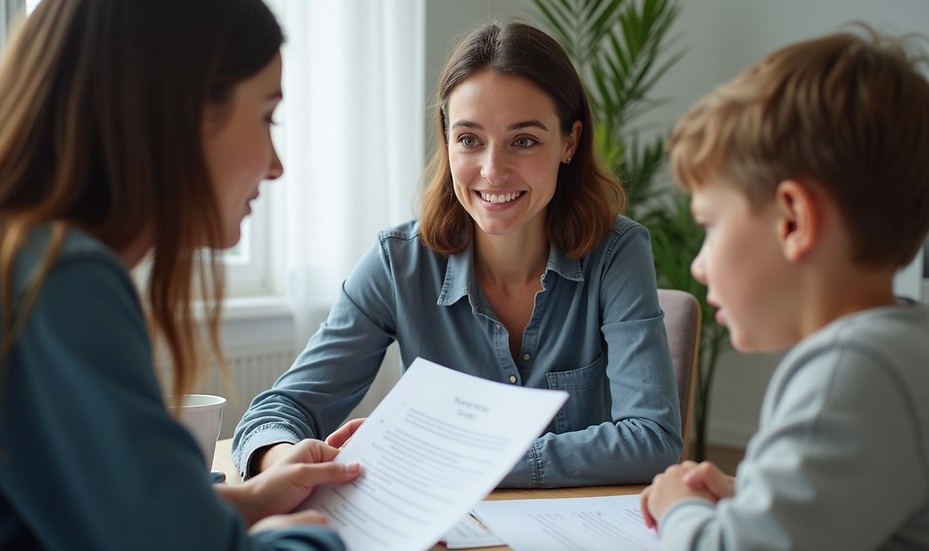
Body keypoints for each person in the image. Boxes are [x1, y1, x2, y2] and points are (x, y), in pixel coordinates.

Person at [0, 1, 361, 549]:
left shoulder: (9, 256)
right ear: (179, 110)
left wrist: (252, 502)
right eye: (267, 116)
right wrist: (329, 541)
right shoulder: (61, 284)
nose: (276, 164)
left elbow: (104, 514)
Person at [234, 20, 683, 489]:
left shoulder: (617, 254)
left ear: (569, 141)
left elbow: (653, 439)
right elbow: (279, 410)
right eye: (469, 139)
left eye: (524, 140)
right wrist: (279, 459)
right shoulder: (398, 263)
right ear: (448, 140)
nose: (493, 170)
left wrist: (453, 458)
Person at [639, 25, 929, 550]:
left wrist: (679, 508)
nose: (699, 266)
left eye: (710, 224)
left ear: (792, 221)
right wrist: (750, 492)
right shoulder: (905, 348)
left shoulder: (851, 368)